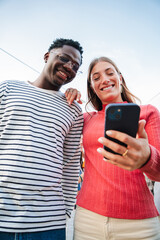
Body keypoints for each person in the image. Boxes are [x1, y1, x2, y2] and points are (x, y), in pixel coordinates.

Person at [65, 56, 160, 239]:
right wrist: (67, 95)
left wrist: (147, 158)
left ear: (120, 78)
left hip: (139, 226)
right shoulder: (85, 119)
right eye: (96, 77)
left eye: (110, 73)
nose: (105, 80)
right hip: (87, 220)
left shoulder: (148, 112)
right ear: (92, 86)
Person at [0, 38, 84, 240]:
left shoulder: (74, 109)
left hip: (48, 223)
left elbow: (71, 165)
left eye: (75, 66)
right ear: (47, 56)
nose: (69, 67)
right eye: (64, 58)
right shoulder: (8, 89)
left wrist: (64, 212)